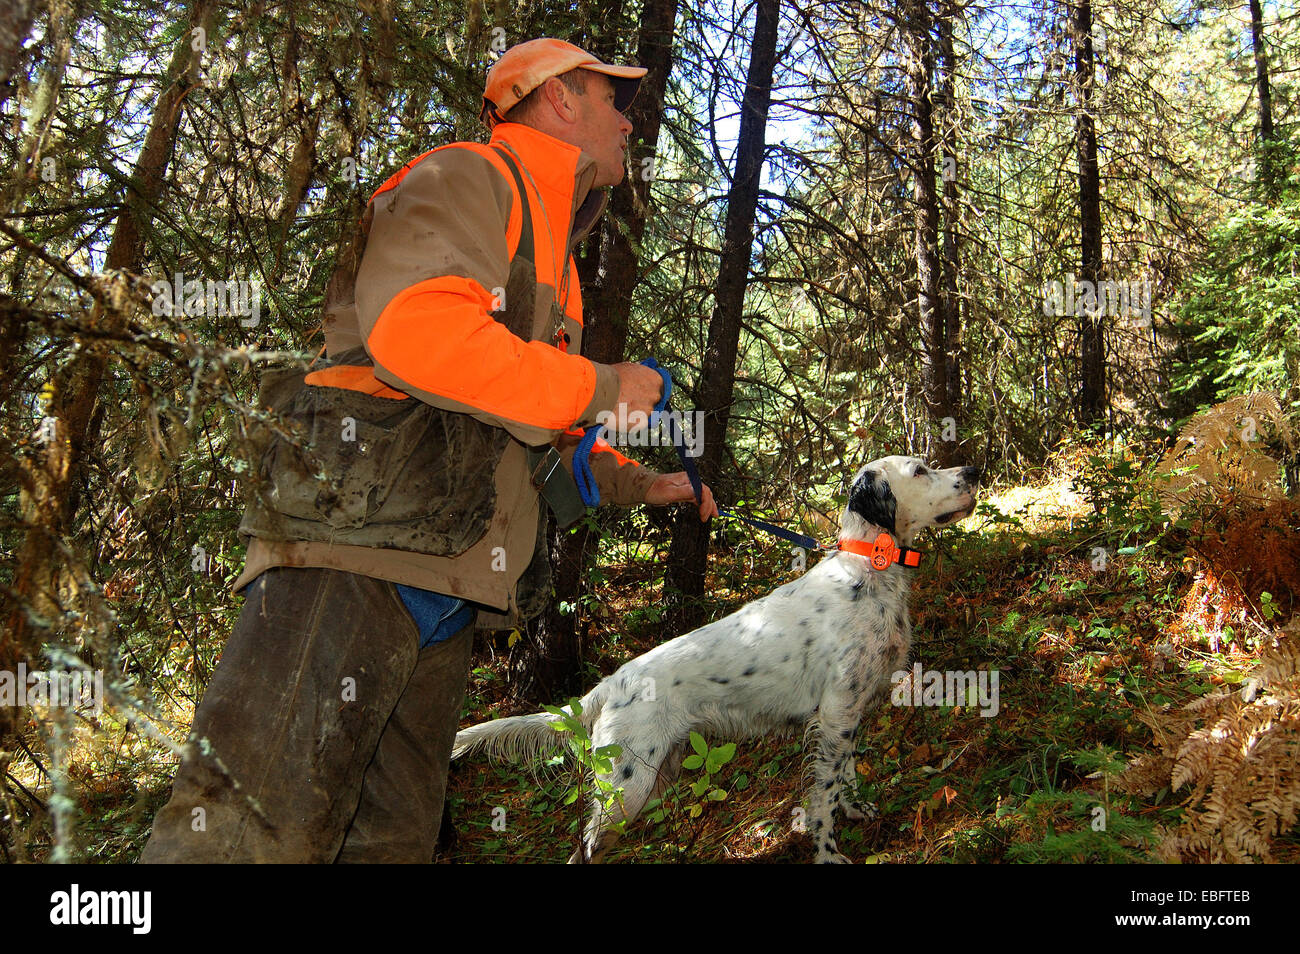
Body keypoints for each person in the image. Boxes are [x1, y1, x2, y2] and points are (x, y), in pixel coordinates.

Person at [140, 37, 717, 863]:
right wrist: (598, 385)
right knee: (242, 835)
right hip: (352, 557)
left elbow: (531, 428)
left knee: (392, 846)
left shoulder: (557, 254)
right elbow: (420, 334)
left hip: (446, 585)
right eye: (611, 99)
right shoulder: (471, 179)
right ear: (558, 97)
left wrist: (642, 485)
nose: (628, 121)